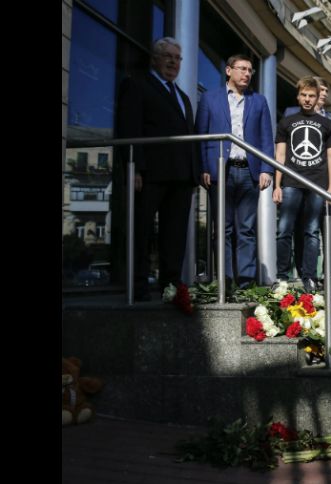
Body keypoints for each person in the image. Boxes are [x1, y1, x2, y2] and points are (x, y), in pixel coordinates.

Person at [116, 37, 200, 301]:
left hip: (181, 177)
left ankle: (170, 286)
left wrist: (194, 173)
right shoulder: (137, 84)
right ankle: (138, 287)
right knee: (141, 231)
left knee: (174, 236)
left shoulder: (183, 97)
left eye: (177, 58)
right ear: (155, 58)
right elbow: (128, 128)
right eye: (168, 56)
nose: (173, 62)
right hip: (150, 174)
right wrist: (135, 168)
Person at [196, 54, 274, 289]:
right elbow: (201, 135)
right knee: (223, 228)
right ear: (229, 71)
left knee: (247, 230)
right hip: (221, 171)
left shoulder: (259, 101)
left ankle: (245, 281)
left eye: (251, 70)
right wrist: (203, 167)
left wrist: (267, 169)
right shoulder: (210, 99)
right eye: (242, 69)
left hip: (249, 172)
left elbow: (266, 138)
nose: (247, 74)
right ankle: (225, 279)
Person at [273, 76, 331, 293]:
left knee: (311, 232)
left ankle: (309, 277)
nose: (308, 99)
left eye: (312, 96)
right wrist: (277, 185)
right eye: (304, 95)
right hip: (292, 182)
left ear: (318, 97)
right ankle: (282, 276)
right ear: (298, 96)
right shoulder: (286, 122)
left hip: (318, 185)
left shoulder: (327, 124)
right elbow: (280, 155)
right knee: (284, 229)